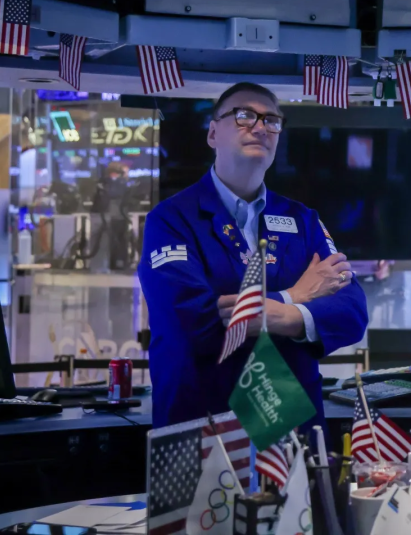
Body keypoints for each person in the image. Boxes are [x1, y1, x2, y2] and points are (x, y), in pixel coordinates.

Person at [139, 82, 368, 428]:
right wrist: (295, 296)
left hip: (290, 425)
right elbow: (191, 322)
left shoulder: (302, 220)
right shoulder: (171, 220)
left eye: (271, 120)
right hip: (203, 422)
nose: (261, 127)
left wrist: (277, 315)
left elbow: (352, 311)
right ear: (213, 133)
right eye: (244, 116)